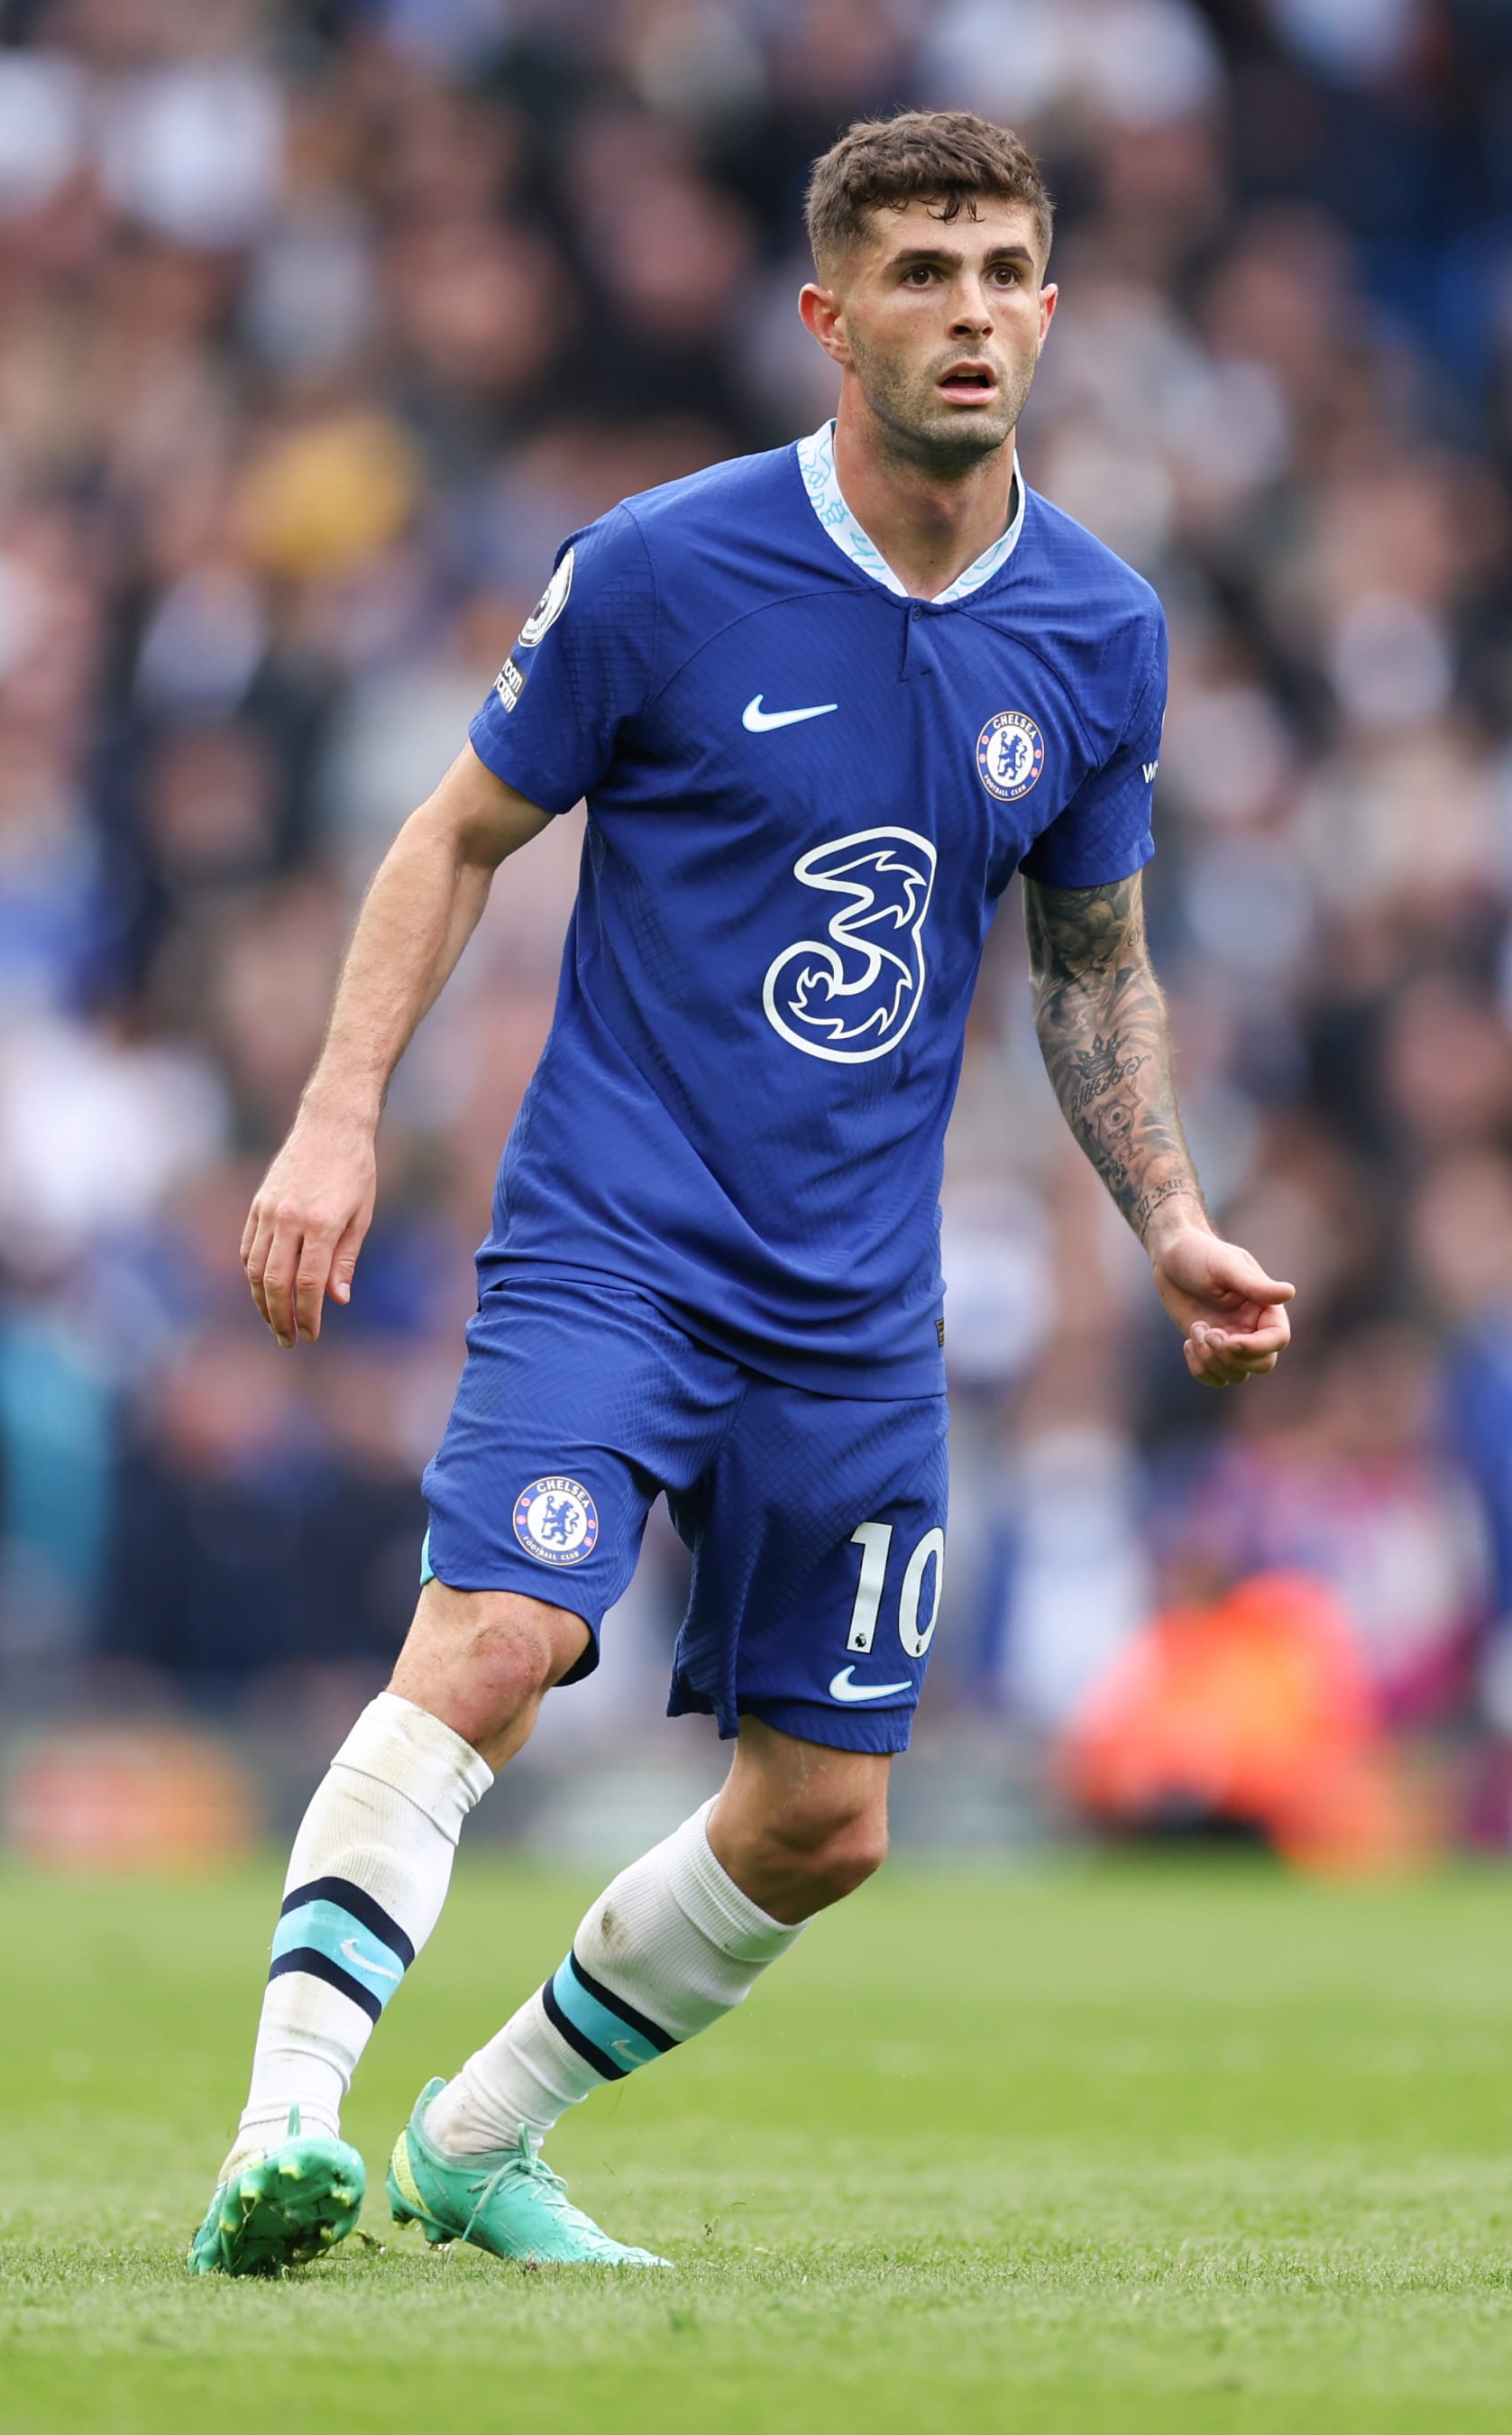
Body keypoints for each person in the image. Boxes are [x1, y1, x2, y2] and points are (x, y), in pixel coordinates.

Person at [189, 109, 1294, 2278]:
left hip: (858, 1298)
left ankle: (477, 2136)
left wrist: (1169, 1211)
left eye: (1003, 274)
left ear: (1054, 312)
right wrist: (335, 1111)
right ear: (828, 316)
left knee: (825, 1819)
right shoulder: (666, 566)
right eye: (921, 275)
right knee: (498, 1639)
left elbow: (1094, 968)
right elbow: (452, 838)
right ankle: (277, 2126)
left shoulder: (1099, 628)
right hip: (620, 1231)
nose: (969, 314)